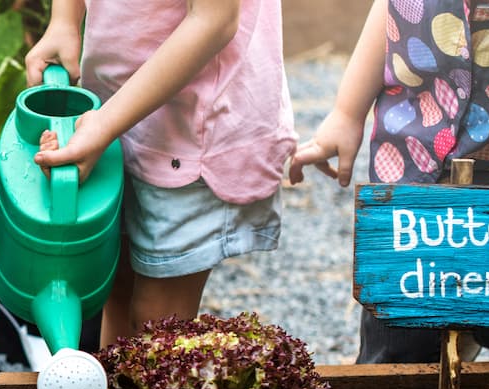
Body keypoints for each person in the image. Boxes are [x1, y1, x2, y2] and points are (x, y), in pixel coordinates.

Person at [289, 0, 489, 369]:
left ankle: (480, 327)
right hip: (415, 173)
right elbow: (390, 8)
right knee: (396, 350)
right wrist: (346, 113)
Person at [24, 0, 295, 347]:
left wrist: (104, 126)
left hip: (192, 131)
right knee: (114, 288)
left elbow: (215, 20)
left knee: (157, 325)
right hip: (114, 110)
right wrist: (65, 19)